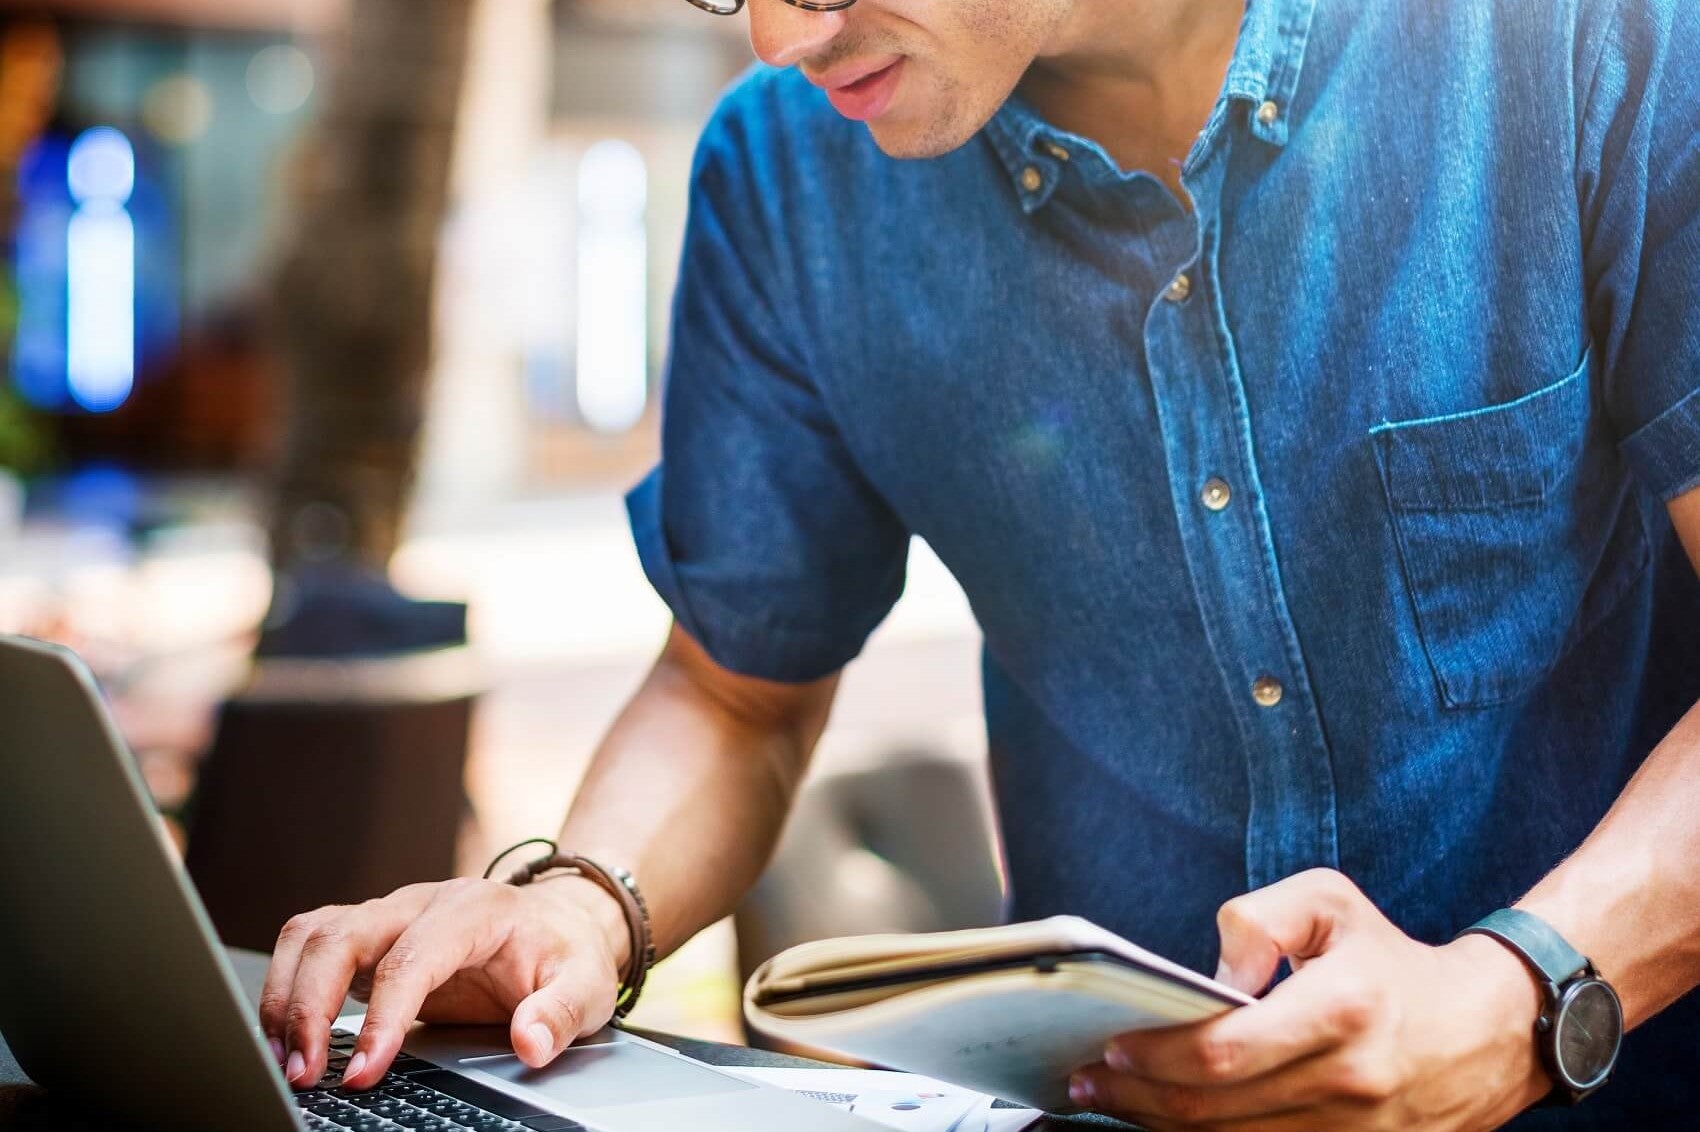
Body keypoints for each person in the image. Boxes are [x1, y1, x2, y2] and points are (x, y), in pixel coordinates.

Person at [260, 0, 1700, 1126]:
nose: (777, 37)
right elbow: (733, 695)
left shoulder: (1591, 41)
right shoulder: (787, 185)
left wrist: (1523, 997)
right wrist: (572, 906)